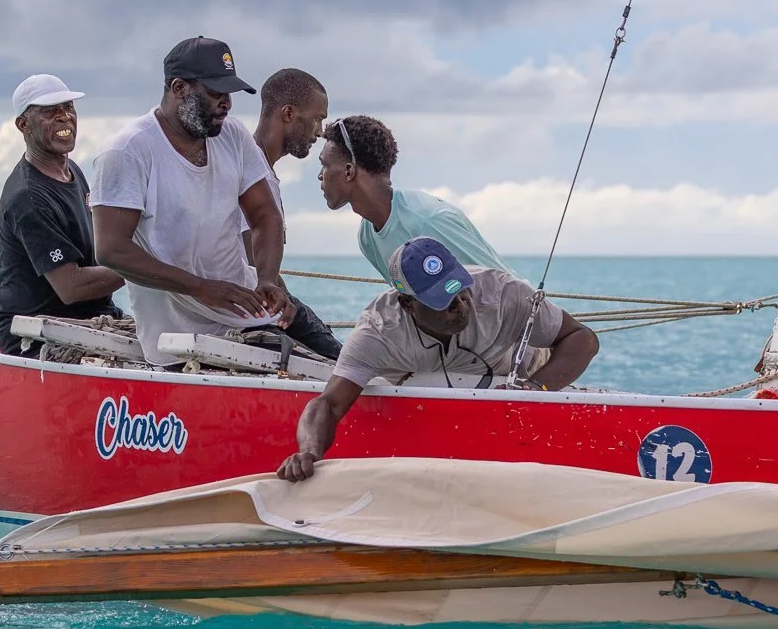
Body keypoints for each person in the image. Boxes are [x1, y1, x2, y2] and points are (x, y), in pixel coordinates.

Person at [277, 237, 600, 482]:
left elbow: (582, 339)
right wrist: (309, 452)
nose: (460, 303)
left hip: (519, 389)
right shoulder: (379, 329)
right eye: (443, 299)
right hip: (427, 398)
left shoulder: (504, 293)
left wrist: (536, 389)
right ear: (406, 304)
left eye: (459, 288)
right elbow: (328, 404)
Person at [90, 36, 294, 367]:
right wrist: (200, 287)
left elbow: (264, 214)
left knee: (338, 362)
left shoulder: (234, 135)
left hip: (250, 315)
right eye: (215, 93)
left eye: (229, 93)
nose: (226, 103)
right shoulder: (128, 151)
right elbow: (111, 249)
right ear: (179, 87)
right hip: (177, 340)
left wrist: (267, 278)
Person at [0, 74, 124, 356]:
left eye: (69, 108)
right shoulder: (27, 197)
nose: (65, 117)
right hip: (34, 337)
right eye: (51, 112)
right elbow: (71, 288)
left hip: (93, 320)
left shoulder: (72, 170)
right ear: (23, 125)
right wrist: (142, 267)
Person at [317, 115, 515, 281]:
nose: (320, 175)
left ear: (349, 171)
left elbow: (506, 290)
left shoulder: (429, 222)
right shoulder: (367, 235)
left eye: (324, 165)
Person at [241, 68, 342, 359]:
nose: (320, 132)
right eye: (317, 119)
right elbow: (248, 262)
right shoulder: (248, 170)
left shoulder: (262, 172)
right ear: (288, 114)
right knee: (341, 362)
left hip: (265, 300)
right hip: (247, 307)